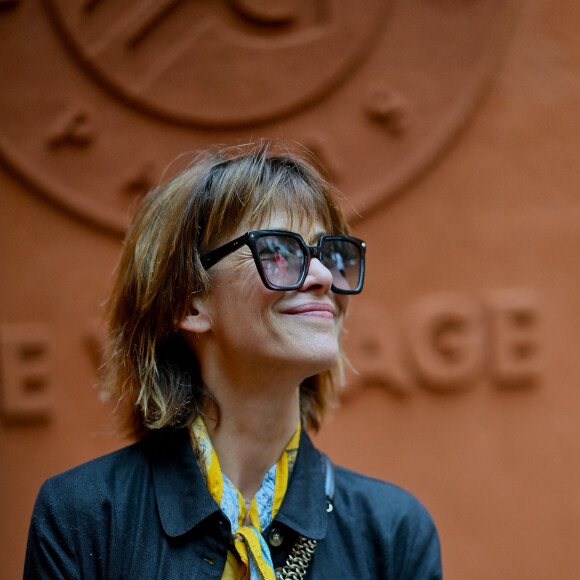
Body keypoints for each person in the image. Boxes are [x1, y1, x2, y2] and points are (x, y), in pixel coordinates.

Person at [24, 141, 442, 579]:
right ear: (188, 303)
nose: (322, 278)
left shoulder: (394, 533)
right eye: (280, 252)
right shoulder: (82, 518)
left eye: (330, 256)